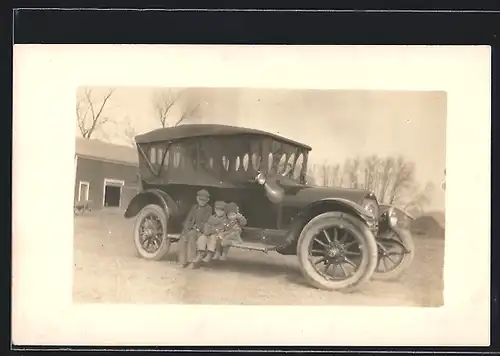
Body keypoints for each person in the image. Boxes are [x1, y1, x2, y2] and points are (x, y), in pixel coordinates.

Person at [177, 189, 212, 268]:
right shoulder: (194, 207)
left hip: (200, 231)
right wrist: (186, 230)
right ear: (197, 198)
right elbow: (188, 219)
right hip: (191, 229)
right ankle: (183, 261)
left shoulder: (208, 209)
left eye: (204, 200)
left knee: (191, 237)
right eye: (200, 199)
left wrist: (197, 227)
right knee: (183, 238)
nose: (202, 202)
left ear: (207, 200)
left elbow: (206, 221)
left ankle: (191, 261)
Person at [190, 201, 228, 266]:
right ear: (215, 210)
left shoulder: (224, 220)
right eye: (217, 210)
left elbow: (219, 228)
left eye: (221, 211)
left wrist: (211, 229)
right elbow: (207, 224)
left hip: (218, 235)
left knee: (212, 238)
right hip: (208, 233)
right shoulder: (212, 217)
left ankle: (209, 254)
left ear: (224, 211)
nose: (219, 212)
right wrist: (207, 230)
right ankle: (200, 254)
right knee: (202, 238)